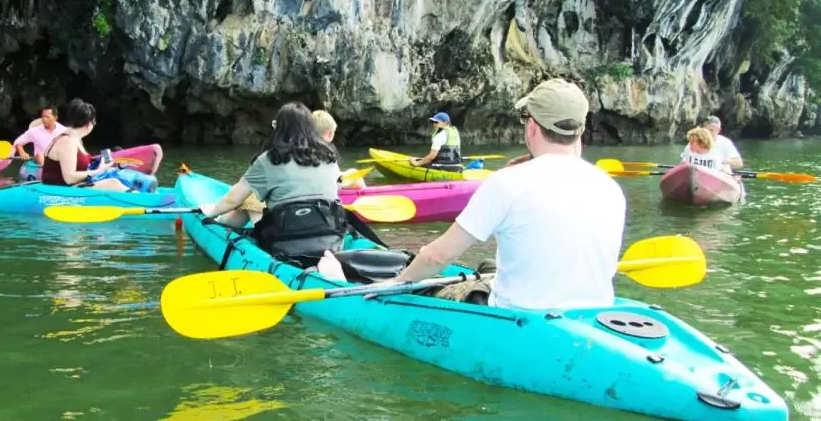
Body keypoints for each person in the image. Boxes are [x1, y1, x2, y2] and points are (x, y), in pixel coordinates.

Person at [381, 78, 626, 311]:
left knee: (430, 289)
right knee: (489, 267)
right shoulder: (610, 188)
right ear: (580, 129)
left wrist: (393, 285)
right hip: (593, 311)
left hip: (518, 315)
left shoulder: (507, 183)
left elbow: (436, 257)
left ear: (531, 127)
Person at [200, 102, 348, 271]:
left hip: (285, 245)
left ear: (280, 128)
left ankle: (220, 225)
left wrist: (209, 213)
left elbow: (233, 199)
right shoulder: (329, 156)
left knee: (249, 202)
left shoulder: (270, 158)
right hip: (332, 241)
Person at [41, 98, 127, 191]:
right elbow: (69, 178)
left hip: (75, 185)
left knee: (117, 176)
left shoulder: (75, 138)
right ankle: (142, 201)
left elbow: (84, 165)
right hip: (62, 190)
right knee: (113, 184)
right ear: (89, 124)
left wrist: (113, 165)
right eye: (94, 122)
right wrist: (98, 171)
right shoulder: (67, 141)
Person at [311, 109, 368, 189]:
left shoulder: (302, 149)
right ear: (330, 133)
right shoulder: (326, 151)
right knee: (356, 176)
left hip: (311, 185)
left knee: (349, 172)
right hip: (328, 186)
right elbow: (336, 180)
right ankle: (366, 193)